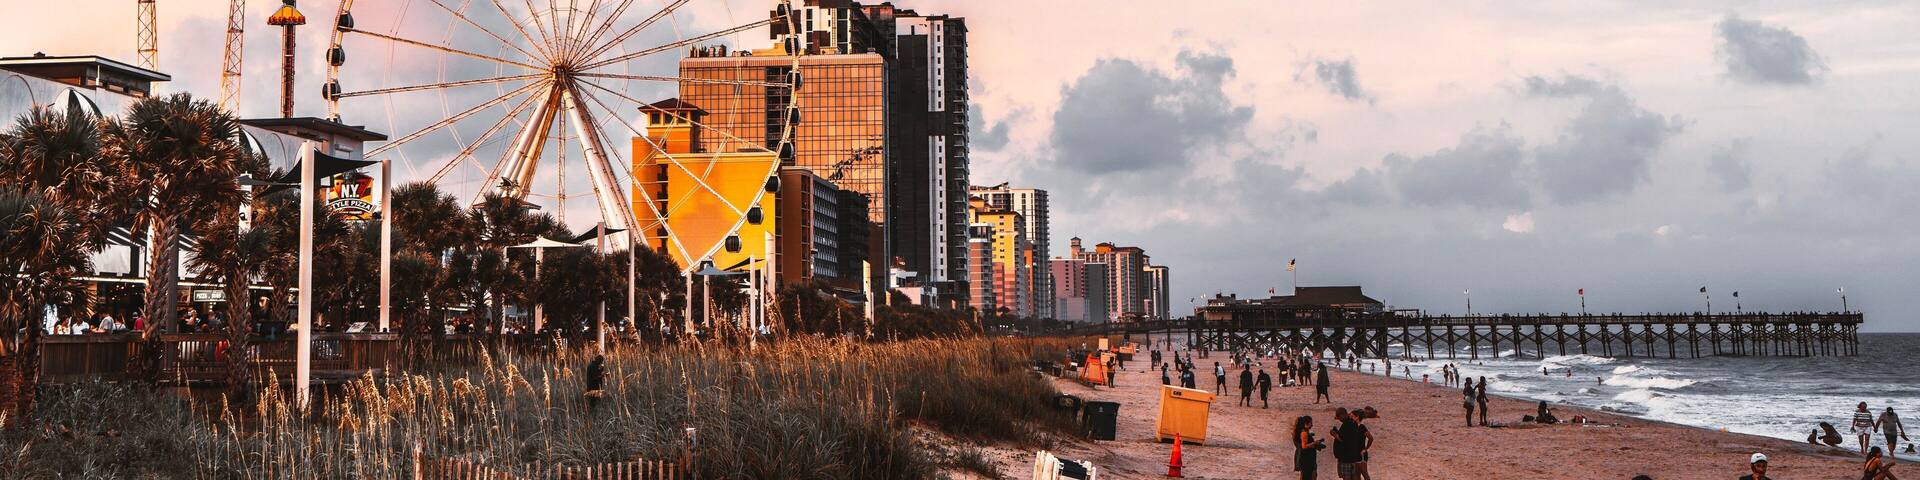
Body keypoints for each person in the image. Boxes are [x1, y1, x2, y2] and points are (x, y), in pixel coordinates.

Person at [1329, 407, 1372, 480]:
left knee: (1363, 475)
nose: (1350, 416)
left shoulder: (1357, 426)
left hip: (1351, 457)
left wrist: (1334, 434)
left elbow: (1344, 439)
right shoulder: (1354, 425)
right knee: (1357, 476)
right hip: (1354, 456)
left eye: (1352, 415)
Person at [1294, 415, 1327, 480]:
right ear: (1306, 423)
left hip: (1308, 459)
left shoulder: (1305, 432)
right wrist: (1315, 443)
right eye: (1311, 423)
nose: (1312, 425)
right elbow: (1304, 446)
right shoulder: (1304, 433)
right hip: (1307, 460)